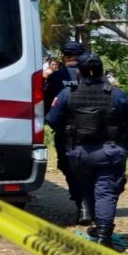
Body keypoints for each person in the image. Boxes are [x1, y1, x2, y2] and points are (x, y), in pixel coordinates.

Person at [46, 53, 128, 248]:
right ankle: (104, 236)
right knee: (106, 192)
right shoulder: (116, 94)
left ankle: (93, 221)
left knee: (87, 188)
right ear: (101, 72)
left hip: (79, 153)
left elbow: (52, 120)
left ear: (79, 72)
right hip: (111, 153)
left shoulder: (67, 93)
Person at [43, 41, 86, 222]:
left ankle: (82, 204)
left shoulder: (56, 77)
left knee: (68, 166)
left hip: (65, 132)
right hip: (94, 132)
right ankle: (88, 204)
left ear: (63, 56)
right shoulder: (92, 74)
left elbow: (46, 105)